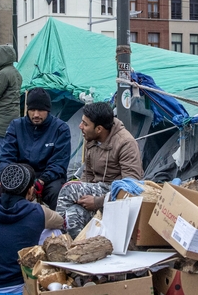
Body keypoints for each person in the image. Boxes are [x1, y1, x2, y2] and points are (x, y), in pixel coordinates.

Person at [0, 163, 65, 292]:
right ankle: (57, 281)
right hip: (19, 288)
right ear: (30, 190)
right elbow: (60, 221)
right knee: (54, 230)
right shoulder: (38, 212)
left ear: (0, 186)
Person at [56, 102, 143, 238]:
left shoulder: (125, 143)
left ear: (99, 129)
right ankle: (76, 245)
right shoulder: (91, 138)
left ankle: (57, 233)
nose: (80, 126)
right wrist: (81, 198)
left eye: (85, 124)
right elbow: (87, 173)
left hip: (114, 193)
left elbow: (131, 186)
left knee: (68, 189)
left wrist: (98, 202)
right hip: (96, 190)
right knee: (72, 215)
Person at [0, 88, 71, 209]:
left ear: (48, 110)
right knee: (0, 192)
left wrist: (41, 181)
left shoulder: (60, 129)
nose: (36, 114)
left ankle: (56, 220)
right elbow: (6, 157)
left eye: (40, 110)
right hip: (20, 175)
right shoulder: (16, 126)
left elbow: (59, 163)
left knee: (57, 191)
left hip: (48, 177)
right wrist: (7, 176)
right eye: (32, 110)